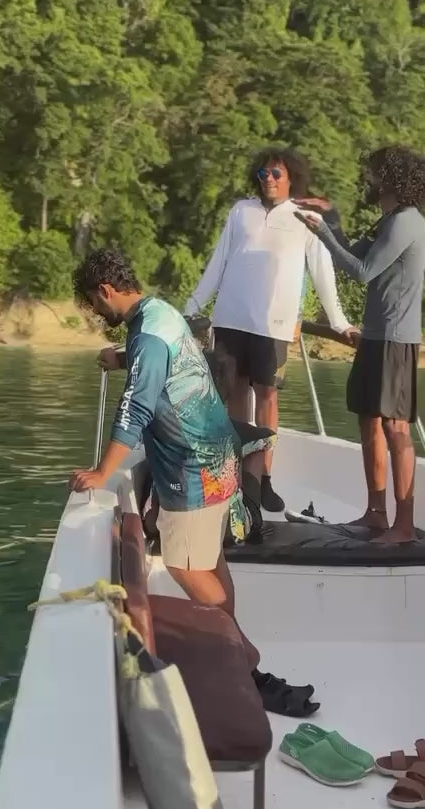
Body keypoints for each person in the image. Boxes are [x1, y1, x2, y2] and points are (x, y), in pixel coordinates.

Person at [70, 248, 319, 716]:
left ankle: (246, 661)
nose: (96, 311)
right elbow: (166, 360)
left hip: (191, 466)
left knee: (186, 567)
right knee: (211, 562)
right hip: (220, 453)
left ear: (105, 291)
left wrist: (102, 473)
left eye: (92, 302)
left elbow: (136, 409)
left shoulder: (145, 337)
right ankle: (238, 655)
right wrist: (120, 357)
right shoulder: (161, 312)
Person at [183, 146, 355, 512]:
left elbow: (323, 271)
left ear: (291, 178)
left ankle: (263, 480)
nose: (269, 180)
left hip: (273, 324)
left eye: (276, 174)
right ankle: (233, 478)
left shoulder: (306, 216)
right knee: (234, 396)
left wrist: (338, 321)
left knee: (268, 397)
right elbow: (218, 261)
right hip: (230, 319)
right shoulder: (240, 211)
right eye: (263, 174)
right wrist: (192, 308)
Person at [297, 145, 425, 545]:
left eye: (372, 173)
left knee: (395, 427)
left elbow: (362, 272)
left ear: (391, 178)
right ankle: (375, 514)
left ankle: (403, 526)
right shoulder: (387, 219)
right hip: (374, 335)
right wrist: (331, 221)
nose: (367, 180)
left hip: (394, 338)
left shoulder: (405, 221)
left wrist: (320, 232)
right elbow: (347, 256)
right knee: (368, 421)